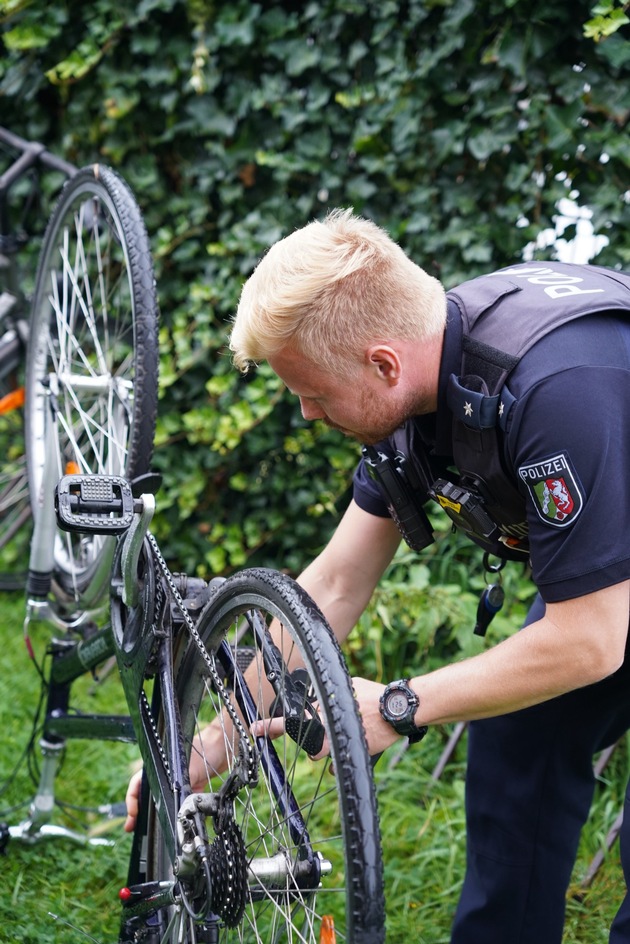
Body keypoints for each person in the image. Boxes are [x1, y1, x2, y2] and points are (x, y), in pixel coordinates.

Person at [126, 208, 630, 943]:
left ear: (382, 363)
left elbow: (589, 641)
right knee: (516, 738)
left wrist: (398, 704)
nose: (305, 413)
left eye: (316, 394)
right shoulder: (425, 397)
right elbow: (333, 586)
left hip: (605, 605)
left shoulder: (556, 393)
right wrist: (215, 742)